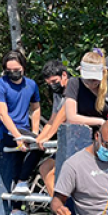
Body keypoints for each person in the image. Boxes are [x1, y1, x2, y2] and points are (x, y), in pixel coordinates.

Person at [0, 50, 42, 215]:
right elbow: (3, 115)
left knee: (41, 146)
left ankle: (18, 204)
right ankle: (15, 206)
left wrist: (34, 132)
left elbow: (36, 109)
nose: (13, 73)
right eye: (9, 70)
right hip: (7, 131)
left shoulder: (31, 85)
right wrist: (18, 137)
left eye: (17, 69)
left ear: (23, 68)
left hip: (25, 129)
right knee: (12, 169)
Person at [36, 60, 70, 196]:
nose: (53, 86)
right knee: (45, 169)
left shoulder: (74, 86)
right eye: (49, 84)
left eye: (54, 81)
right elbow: (53, 119)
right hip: (66, 139)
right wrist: (39, 139)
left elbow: (63, 114)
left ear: (64, 75)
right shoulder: (57, 94)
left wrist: (47, 137)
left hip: (82, 139)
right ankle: (59, 209)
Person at [65, 51, 108, 128]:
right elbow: (71, 117)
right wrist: (100, 121)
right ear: (81, 71)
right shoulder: (74, 83)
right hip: (77, 133)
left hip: (102, 134)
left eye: (95, 79)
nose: (91, 82)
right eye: (88, 78)